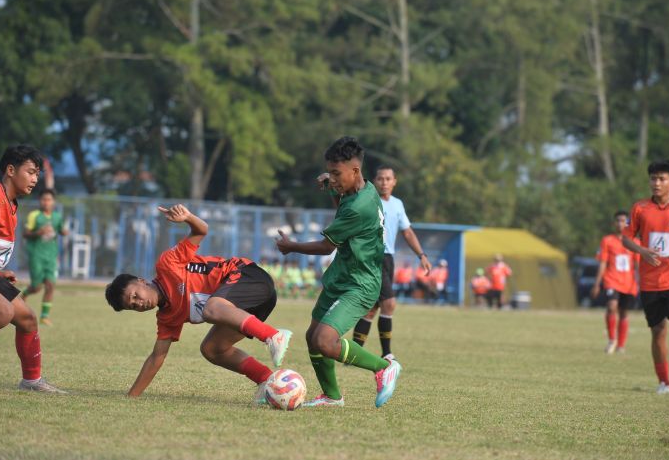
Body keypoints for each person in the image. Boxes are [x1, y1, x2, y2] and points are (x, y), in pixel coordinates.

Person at [104, 204, 292, 403]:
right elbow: (157, 357)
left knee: (211, 309)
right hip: (252, 305)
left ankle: (273, 335)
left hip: (250, 277)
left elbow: (201, 230)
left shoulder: (167, 264)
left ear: (141, 281)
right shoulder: (167, 318)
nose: (139, 303)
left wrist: (187, 218)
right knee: (212, 349)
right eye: (133, 306)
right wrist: (131, 397)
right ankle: (267, 381)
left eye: (135, 296)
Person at [275, 136, 401, 408]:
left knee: (324, 340)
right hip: (342, 276)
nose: (332, 179)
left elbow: (326, 246)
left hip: (360, 284)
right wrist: (333, 187)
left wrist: (290, 246)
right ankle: (332, 396)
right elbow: (342, 210)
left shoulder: (359, 206)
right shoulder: (363, 190)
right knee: (312, 338)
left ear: (355, 170)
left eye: (336, 173)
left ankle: (384, 367)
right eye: (329, 173)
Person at [0, 144, 65, 393]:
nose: (35, 179)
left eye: (37, 174)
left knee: (27, 319)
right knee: (3, 312)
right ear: (11, 170)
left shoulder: (11, 203)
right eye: (31, 172)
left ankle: (31, 382)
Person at [621, 159, 669, 395]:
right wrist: (641, 251)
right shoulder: (640, 208)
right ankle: (664, 382)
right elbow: (626, 238)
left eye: (662, 179)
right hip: (650, 281)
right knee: (658, 330)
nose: (657, 183)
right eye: (653, 178)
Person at [351, 165, 431, 359]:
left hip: (388, 258)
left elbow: (407, 232)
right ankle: (387, 353)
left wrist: (421, 255)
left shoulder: (397, 204)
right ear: (374, 181)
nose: (384, 182)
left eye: (388, 179)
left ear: (394, 182)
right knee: (389, 302)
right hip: (372, 257)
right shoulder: (369, 200)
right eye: (380, 178)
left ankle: (353, 352)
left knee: (372, 308)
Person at [591, 210, 639, 354]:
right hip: (612, 280)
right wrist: (596, 284)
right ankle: (612, 339)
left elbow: (638, 266)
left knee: (624, 312)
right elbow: (602, 263)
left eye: (623, 221)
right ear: (614, 223)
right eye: (618, 221)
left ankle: (621, 346)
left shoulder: (635, 242)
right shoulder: (607, 241)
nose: (620, 224)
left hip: (629, 283)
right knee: (612, 306)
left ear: (628, 224)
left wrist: (640, 283)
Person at [21, 188, 68, 326]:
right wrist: (38, 232)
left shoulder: (57, 217)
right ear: (40, 201)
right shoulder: (34, 215)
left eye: (49, 200)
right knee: (36, 287)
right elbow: (25, 234)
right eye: (44, 199)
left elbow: (62, 230)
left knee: (50, 285)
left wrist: (64, 231)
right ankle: (25, 293)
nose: (46, 202)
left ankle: (44, 316)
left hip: (51, 256)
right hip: (36, 255)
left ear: (53, 202)